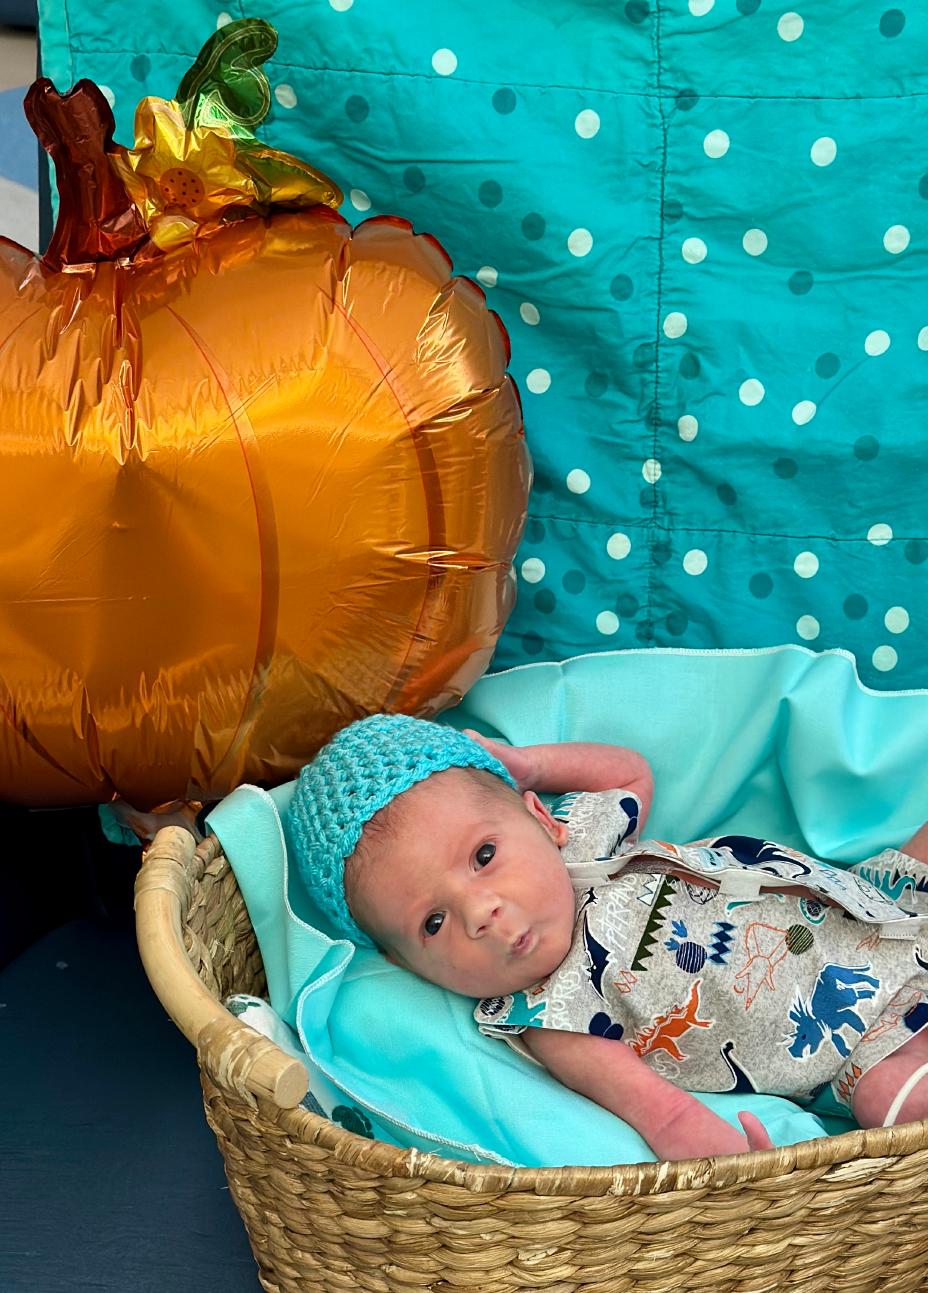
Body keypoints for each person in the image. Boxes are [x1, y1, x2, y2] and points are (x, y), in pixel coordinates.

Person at [290, 713, 928, 1161]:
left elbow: (631, 772)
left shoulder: (583, 841)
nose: (480, 911)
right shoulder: (553, 1018)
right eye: (433, 923)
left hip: (884, 899)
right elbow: (663, 1112)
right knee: (890, 1105)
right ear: (406, 964)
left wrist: (530, 764)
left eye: (484, 855)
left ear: (541, 819)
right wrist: (741, 1165)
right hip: (875, 1041)